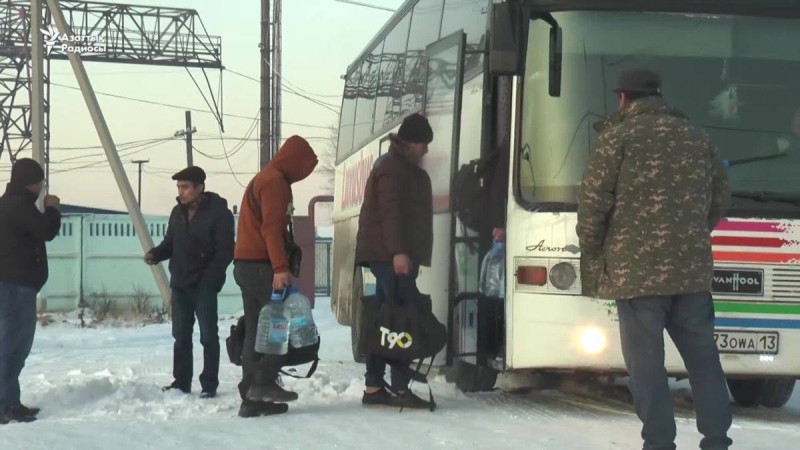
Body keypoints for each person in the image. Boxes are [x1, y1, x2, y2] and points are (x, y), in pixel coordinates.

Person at [577, 69, 733, 450]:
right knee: (703, 359)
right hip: (691, 273)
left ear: (623, 99)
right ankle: (716, 438)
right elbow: (720, 198)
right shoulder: (698, 136)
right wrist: (692, 237)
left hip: (637, 275)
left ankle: (659, 441)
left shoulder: (617, 139)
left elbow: (593, 205)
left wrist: (595, 250)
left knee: (647, 365)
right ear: (659, 96)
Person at [233, 135, 318, 418]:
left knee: (256, 332)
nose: (302, 176)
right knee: (281, 327)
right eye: (304, 169)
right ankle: (262, 383)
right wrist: (280, 267)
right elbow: (271, 228)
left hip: (246, 265)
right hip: (263, 266)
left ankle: (252, 399)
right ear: (295, 162)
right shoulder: (275, 183)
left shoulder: (263, 178)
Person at [355, 113, 434, 409]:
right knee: (401, 320)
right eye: (423, 144)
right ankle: (399, 388)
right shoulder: (392, 169)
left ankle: (374, 387)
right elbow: (391, 214)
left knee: (385, 321)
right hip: (390, 256)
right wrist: (399, 252)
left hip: (389, 255)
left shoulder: (400, 167)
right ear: (411, 142)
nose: (426, 150)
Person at [144, 166, 234, 399]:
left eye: (185, 187)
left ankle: (209, 384)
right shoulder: (177, 212)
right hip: (180, 282)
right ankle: (181, 381)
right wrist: (156, 253)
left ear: (200, 187)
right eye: (179, 187)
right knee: (181, 336)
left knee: (208, 336)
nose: (181, 192)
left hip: (204, 284)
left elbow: (225, 251)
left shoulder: (219, 213)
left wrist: (210, 279)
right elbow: (170, 242)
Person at [0, 158, 61, 424]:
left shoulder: (10, 203)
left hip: (14, 285)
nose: (43, 186)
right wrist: (52, 209)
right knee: (12, 346)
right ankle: (5, 405)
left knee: (13, 347)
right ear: (32, 183)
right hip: (15, 287)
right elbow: (46, 231)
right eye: (41, 182)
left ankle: (10, 401)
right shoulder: (18, 205)